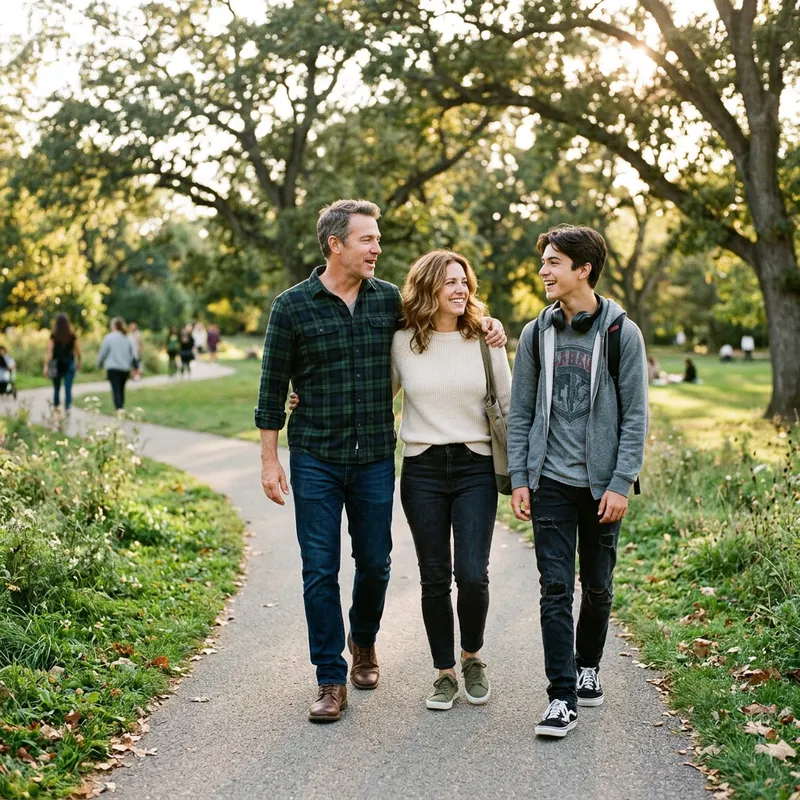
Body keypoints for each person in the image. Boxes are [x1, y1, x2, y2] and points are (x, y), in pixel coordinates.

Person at [255, 199, 506, 724]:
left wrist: (490, 325)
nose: (378, 248)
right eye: (368, 240)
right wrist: (269, 460)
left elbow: (441, 326)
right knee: (318, 568)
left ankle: (363, 639)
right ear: (336, 244)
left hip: (372, 457)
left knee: (375, 563)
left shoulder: (389, 302)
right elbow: (272, 388)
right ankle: (329, 676)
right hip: (315, 457)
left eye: (377, 239)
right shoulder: (291, 307)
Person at [507, 224, 648, 739]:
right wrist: (521, 477)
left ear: (582, 269)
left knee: (598, 584)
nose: (543, 271)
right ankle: (560, 696)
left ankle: (589, 664)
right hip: (550, 482)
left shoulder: (620, 334)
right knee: (554, 586)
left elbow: (635, 417)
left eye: (553, 262)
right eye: (543, 262)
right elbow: (520, 412)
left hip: (602, 485)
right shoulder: (535, 334)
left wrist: (620, 482)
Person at [393, 251, 511, 711]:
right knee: (434, 577)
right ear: (428, 290)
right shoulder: (403, 341)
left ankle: (473, 657)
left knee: (473, 573)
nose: (461, 290)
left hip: (474, 467)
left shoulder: (486, 338)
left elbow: (508, 402)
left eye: (464, 281)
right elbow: (375, 394)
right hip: (421, 468)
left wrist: (519, 476)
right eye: (450, 283)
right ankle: (443, 671)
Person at [44, 312, 82, 415]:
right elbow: (78, 350)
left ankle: (57, 408)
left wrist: (46, 366)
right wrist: (79, 361)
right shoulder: (72, 335)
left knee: (56, 388)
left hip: (56, 364)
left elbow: (49, 352)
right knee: (68, 388)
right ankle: (67, 408)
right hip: (69, 363)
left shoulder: (54, 335)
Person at [97, 317, 137, 411]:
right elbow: (134, 354)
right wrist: (134, 365)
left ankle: (118, 408)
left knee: (115, 388)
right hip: (125, 368)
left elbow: (102, 353)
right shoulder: (128, 337)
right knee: (121, 389)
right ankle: (120, 407)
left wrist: (99, 364)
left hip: (112, 368)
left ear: (114, 326)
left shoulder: (109, 337)